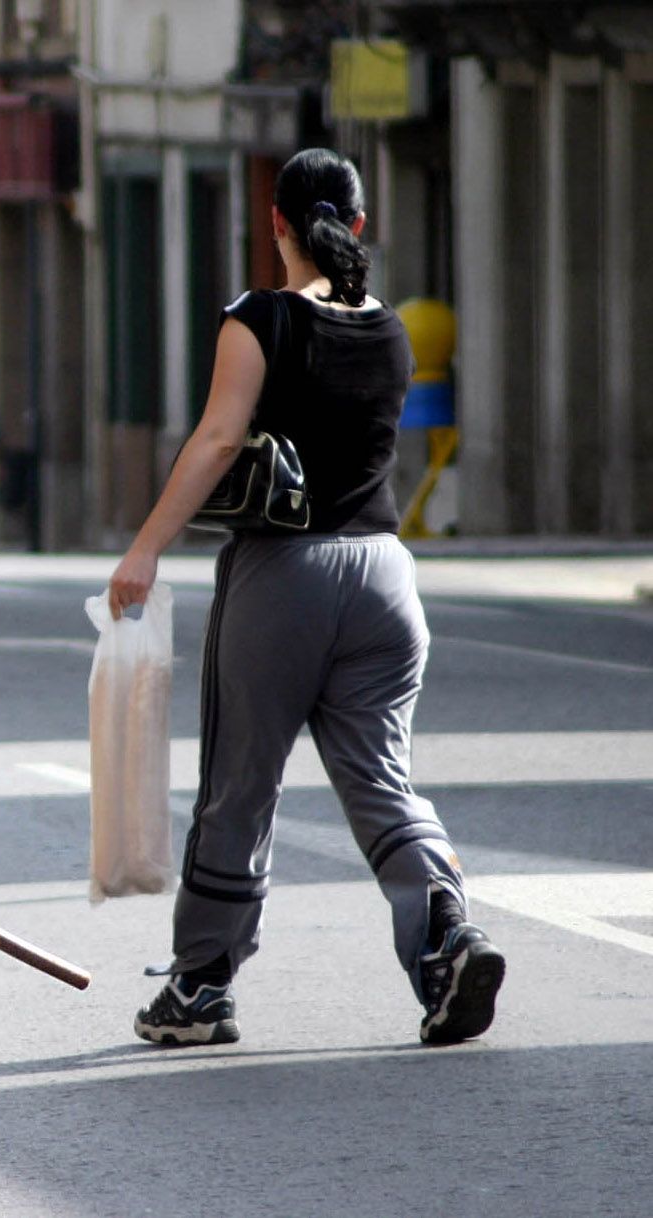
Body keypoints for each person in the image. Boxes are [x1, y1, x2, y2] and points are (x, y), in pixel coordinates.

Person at [106, 148, 505, 1049]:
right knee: (380, 779)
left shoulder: (258, 320)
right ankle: (447, 938)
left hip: (285, 576)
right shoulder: (394, 330)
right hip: (386, 577)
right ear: (358, 225)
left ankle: (201, 988)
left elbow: (216, 440)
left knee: (240, 784)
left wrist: (144, 549)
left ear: (274, 222)